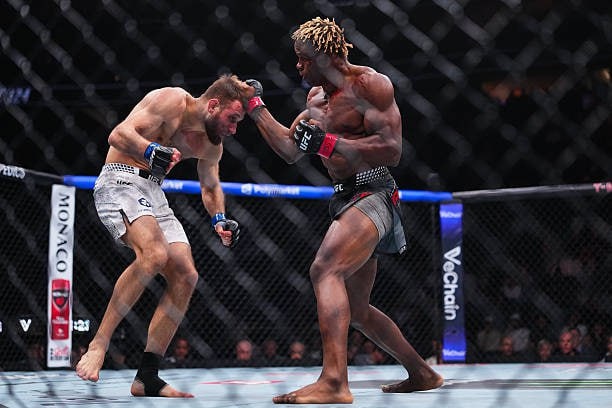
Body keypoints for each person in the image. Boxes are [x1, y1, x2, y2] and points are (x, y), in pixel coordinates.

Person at [246, 17, 443, 404]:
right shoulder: (315, 99)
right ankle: (423, 373)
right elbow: (290, 149)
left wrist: (329, 143)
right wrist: (255, 107)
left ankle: (335, 381)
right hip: (345, 197)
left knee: (324, 269)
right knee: (357, 309)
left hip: (374, 192)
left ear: (326, 56)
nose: (298, 66)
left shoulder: (370, 85)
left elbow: (392, 149)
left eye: (304, 59)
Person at [76, 74, 251, 398]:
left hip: (153, 192)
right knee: (155, 254)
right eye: (233, 119)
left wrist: (219, 218)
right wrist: (149, 148)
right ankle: (99, 343)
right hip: (120, 179)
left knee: (186, 274)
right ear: (213, 105)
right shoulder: (172, 100)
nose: (234, 129)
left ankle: (147, 376)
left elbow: (210, 186)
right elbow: (118, 134)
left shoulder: (211, 145)